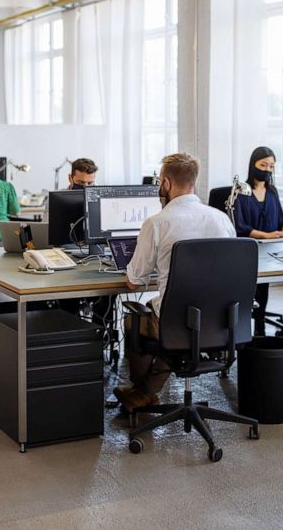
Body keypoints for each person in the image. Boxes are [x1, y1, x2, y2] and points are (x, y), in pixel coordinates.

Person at [115, 152, 236, 413]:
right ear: (194, 182)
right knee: (162, 314)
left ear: (166, 183)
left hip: (178, 323)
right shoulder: (222, 219)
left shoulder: (157, 223)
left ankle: (143, 393)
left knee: (133, 319)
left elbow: (134, 282)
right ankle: (145, 392)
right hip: (221, 321)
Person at [232, 146, 283, 336]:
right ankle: (247, 328)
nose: (267, 169)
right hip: (248, 250)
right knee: (252, 287)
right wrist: (266, 235)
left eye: (271, 166)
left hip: (271, 250)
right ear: (253, 165)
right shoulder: (241, 192)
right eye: (263, 165)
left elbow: (280, 221)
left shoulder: (272, 192)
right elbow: (240, 227)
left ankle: (260, 327)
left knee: (264, 286)